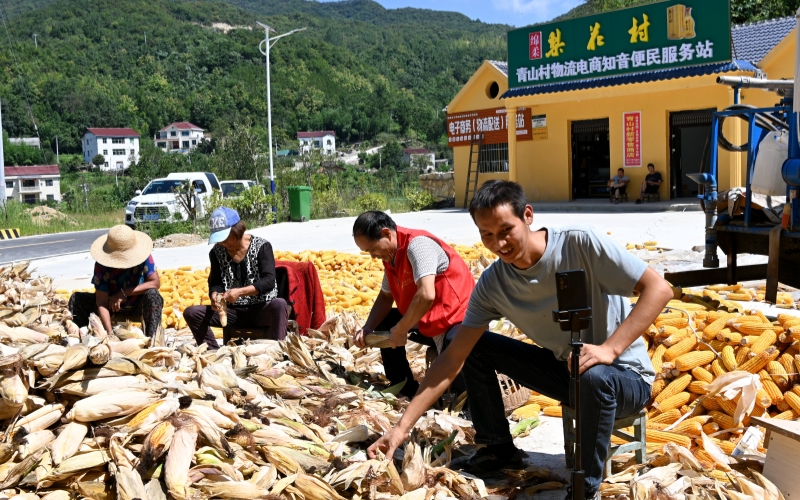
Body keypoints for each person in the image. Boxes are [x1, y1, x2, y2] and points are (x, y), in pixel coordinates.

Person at [367, 181, 673, 500]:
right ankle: (498, 450)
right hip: (566, 372)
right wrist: (401, 428)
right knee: (474, 344)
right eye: (487, 235)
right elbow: (451, 360)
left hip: (623, 378)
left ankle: (585, 489)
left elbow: (658, 289)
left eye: (505, 230)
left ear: (527, 215)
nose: (498, 243)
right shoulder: (494, 283)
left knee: (593, 375)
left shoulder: (578, 244)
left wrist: (610, 348)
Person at [352, 211, 475, 399]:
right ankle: (404, 387)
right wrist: (368, 327)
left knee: (454, 346)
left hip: (457, 319)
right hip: (428, 320)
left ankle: (463, 399)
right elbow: (385, 297)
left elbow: (426, 295)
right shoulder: (391, 258)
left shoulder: (417, 246)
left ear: (386, 234)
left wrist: (401, 329)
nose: (373, 256)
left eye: (372, 249)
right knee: (385, 322)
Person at [184, 207, 288, 349]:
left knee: (280, 304)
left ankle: (277, 351)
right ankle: (213, 352)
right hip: (233, 312)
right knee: (191, 313)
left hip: (261, 309)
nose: (223, 243)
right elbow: (215, 282)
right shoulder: (216, 252)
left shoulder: (262, 247)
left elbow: (269, 281)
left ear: (237, 230)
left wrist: (240, 292)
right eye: (220, 240)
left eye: (226, 239)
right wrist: (215, 295)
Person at [69, 225, 162, 336]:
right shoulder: (101, 266)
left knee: (153, 296)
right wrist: (110, 333)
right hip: (110, 307)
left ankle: (152, 341)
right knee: (76, 299)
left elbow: (155, 283)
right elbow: (101, 302)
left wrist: (124, 293)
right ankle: (82, 340)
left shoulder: (144, 257)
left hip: (137, 304)